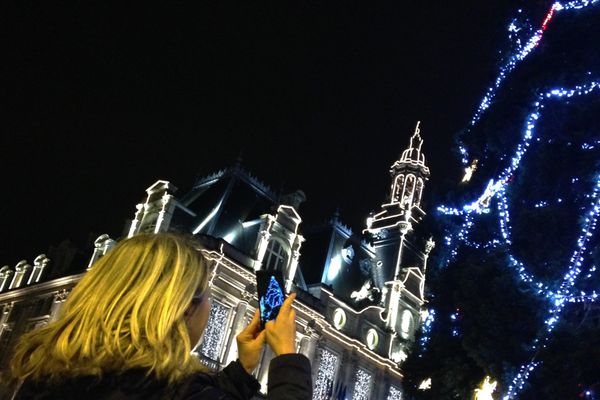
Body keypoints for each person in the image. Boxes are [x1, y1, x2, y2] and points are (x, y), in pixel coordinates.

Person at [10, 233, 312, 399]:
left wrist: (242, 371)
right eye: (206, 292)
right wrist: (287, 358)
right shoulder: (170, 389)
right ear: (183, 307)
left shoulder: (40, 378)